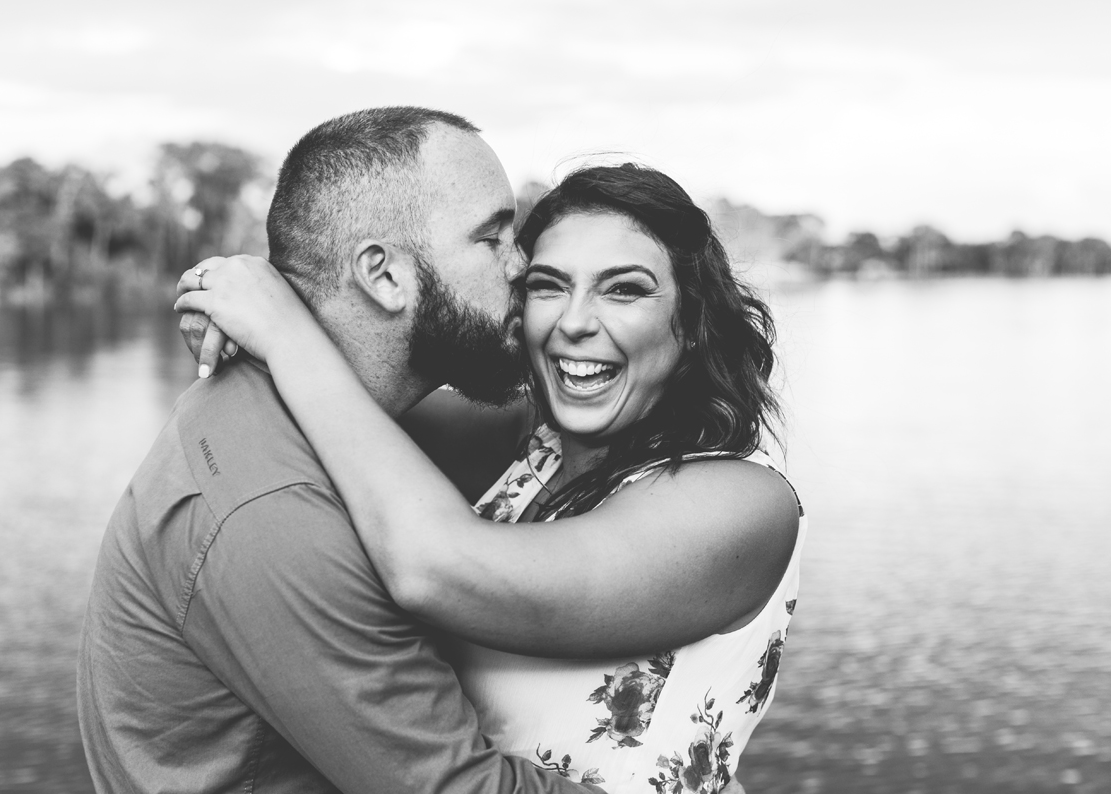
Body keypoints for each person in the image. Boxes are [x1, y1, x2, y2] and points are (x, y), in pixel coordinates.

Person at [175, 163, 805, 793]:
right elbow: (354, 394)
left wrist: (284, 336)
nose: (575, 321)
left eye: (623, 290)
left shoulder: (742, 502)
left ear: (691, 324)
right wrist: (237, 300)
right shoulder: (532, 441)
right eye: (548, 285)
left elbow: (436, 568)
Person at [77, 106, 614, 794]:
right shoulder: (277, 514)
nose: (523, 266)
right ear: (383, 276)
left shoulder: (295, 415)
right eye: (493, 237)